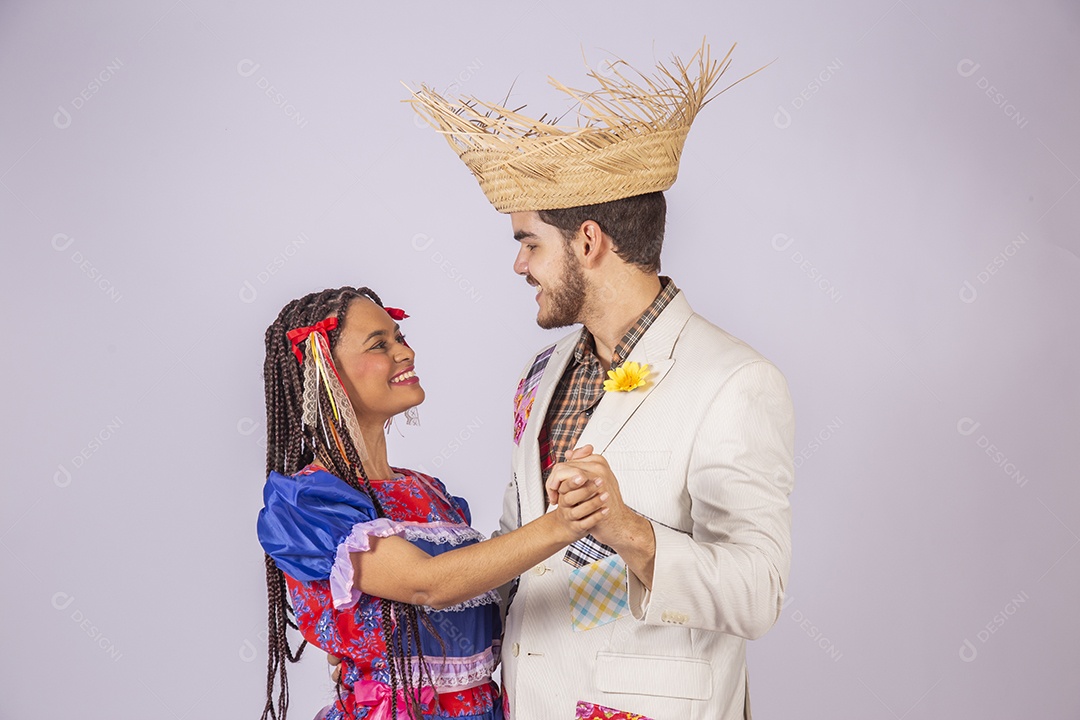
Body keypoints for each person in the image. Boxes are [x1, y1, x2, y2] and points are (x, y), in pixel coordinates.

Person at [410, 41, 795, 720]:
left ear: (588, 242)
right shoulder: (540, 375)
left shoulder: (735, 381)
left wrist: (630, 530)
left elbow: (757, 593)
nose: (520, 266)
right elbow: (520, 554)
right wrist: (395, 619)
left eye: (530, 243)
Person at [255, 286, 611, 720]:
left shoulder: (429, 492)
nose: (405, 352)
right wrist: (564, 523)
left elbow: (483, 585)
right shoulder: (309, 503)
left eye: (400, 337)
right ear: (323, 371)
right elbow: (430, 584)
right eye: (379, 344)